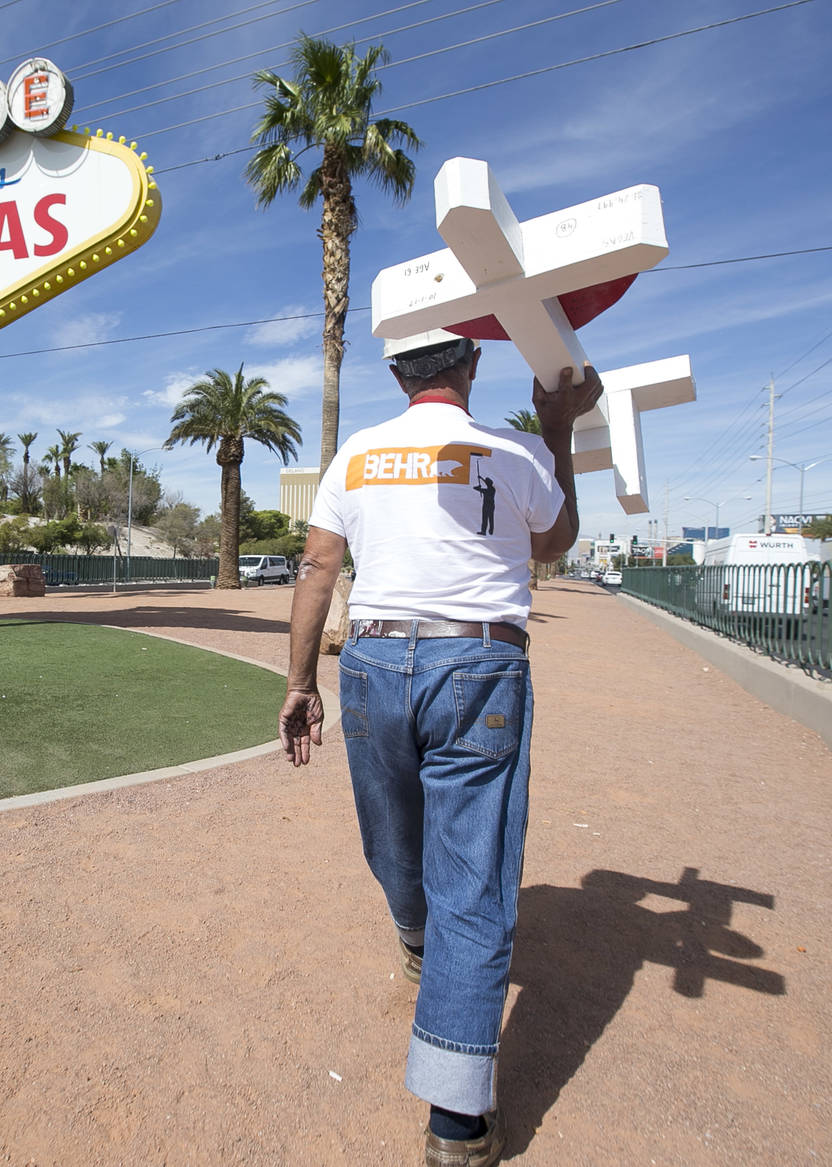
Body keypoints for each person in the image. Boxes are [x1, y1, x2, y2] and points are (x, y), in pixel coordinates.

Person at [278, 330, 602, 1166]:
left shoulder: (357, 451)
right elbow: (553, 540)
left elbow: (319, 567)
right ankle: (455, 1125)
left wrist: (300, 683)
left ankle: (417, 936)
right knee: (474, 880)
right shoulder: (513, 447)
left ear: (394, 372)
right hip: (479, 659)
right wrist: (557, 426)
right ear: (473, 364)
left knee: (392, 831)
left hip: (377, 657)